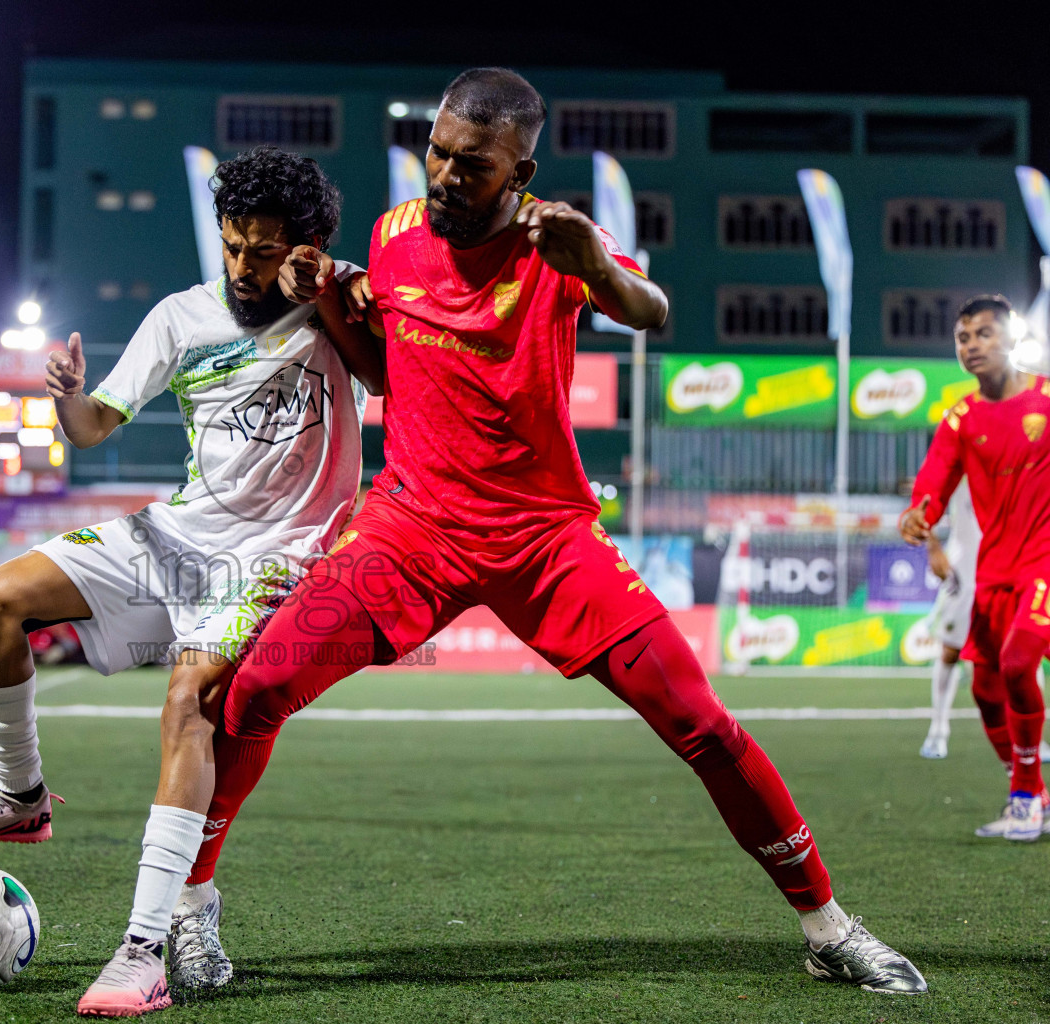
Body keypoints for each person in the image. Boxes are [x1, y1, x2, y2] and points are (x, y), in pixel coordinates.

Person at [76, 69, 927, 1012]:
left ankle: (828, 928)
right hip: (410, 529)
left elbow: (653, 312)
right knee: (256, 689)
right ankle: (193, 905)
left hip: (544, 539)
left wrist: (596, 268)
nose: (443, 175)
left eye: (470, 165)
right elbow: (383, 372)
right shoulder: (395, 236)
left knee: (700, 721)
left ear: (521, 168)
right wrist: (334, 302)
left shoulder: (558, 241)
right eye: (437, 152)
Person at [0, 147, 378, 1017]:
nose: (243, 267)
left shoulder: (342, 296)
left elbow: (388, 378)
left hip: (275, 550)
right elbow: (91, 428)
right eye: (234, 245)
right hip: (180, 530)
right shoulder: (182, 316)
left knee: (188, 702)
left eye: (264, 250)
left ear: (305, 245)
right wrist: (64, 396)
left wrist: (322, 297)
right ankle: (20, 796)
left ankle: (141, 951)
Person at [900, 294, 1050, 841]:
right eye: (963, 338)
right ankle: (1030, 791)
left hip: (1044, 564)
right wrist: (920, 515)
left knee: (1016, 665)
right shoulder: (961, 418)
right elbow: (934, 480)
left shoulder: (1046, 398)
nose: (972, 346)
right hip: (995, 568)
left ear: (1011, 337)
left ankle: (1026, 799)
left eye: (984, 334)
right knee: (985, 686)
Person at [919, 484, 978, 759]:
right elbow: (930, 491)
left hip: (1013, 565)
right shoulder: (963, 445)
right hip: (964, 568)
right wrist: (934, 548)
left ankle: (1031, 741)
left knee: (1025, 652)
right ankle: (938, 730)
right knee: (950, 651)